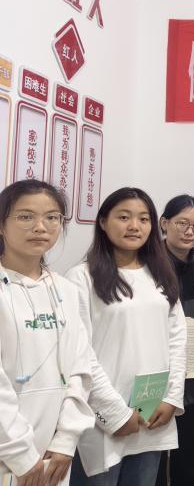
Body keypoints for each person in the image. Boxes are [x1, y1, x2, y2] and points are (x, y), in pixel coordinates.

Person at [67, 188, 187, 486]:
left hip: (152, 411)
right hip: (103, 416)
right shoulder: (81, 277)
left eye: (143, 219)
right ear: (103, 222)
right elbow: (79, 352)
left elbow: (177, 339)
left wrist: (171, 397)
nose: (134, 226)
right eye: (123, 217)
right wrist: (115, 414)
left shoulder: (160, 274)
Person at [0, 180, 94, 486]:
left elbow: (79, 367)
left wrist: (66, 440)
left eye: (52, 217)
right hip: (9, 453)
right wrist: (21, 456)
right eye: (25, 216)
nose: (40, 227)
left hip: (54, 454)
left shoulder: (66, 290)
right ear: (1, 225)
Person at [155, 195, 194, 486]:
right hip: (155, 379)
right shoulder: (143, 265)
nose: (189, 231)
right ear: (164, 223)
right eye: (182, 223)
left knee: (190, 458)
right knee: (152, 459)